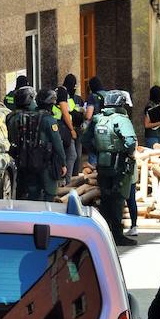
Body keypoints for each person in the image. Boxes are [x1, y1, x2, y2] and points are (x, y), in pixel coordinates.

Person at [88, 89, 138, 246]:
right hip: (119, 165)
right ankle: (117, 235)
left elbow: (85, 139)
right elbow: (130, 143)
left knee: (105, 198)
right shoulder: (122, 120)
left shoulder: (97, 118)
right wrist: (127, 154)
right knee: (117, 199)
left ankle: (103, 233)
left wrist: (99, 151)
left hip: (102, 164)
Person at [53, 84, 77, 184]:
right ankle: (66, 181)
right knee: (71, 155)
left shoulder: (56, 91)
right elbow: (65, 113)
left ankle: (63, 180)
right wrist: (72, 130)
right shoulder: (62, 92)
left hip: (59, 129)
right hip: (63, 130)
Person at [81, 76, 105, 167]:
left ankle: (93, 174)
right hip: (107, 129)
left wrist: (83, 112)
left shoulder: (93, 96)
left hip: (95, 129)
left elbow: (88, 115)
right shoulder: (107, 95)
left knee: (93, 153)